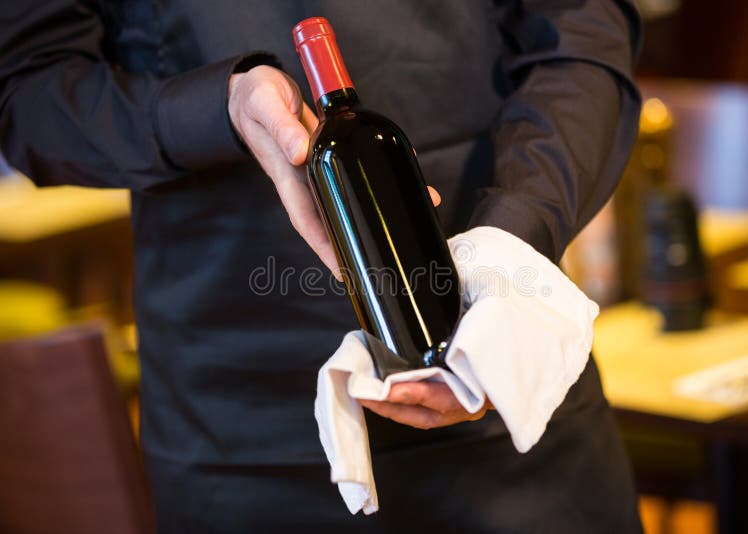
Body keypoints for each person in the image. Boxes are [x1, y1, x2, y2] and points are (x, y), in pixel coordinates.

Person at [0, 1, 643, 531]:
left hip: (501, 384)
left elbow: (579, 34)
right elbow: (28, 91)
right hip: (236, 432)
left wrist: (507, 245)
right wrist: (215, 108)